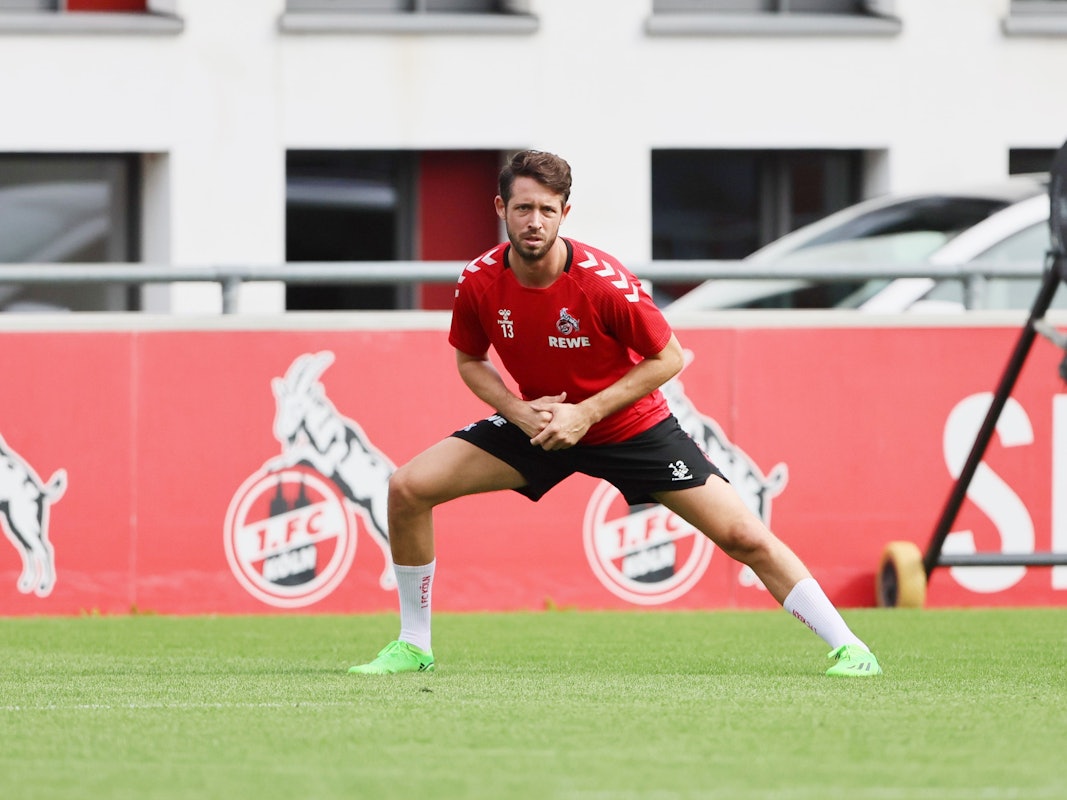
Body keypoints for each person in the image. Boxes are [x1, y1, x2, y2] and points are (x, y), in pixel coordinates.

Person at [349, 150, 882, 678]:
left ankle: (851, 648)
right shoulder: (479, 280)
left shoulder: (602, 282)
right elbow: (470, 359)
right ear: (500, 208)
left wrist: (588, 413)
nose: (534, 222)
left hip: (632, 427)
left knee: (743, 534)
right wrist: (517, 409)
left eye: (548, 210)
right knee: (407, 488)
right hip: (541, 425)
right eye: (523, 208)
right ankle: (414, 645)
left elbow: (668, 356)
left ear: (565, 214)